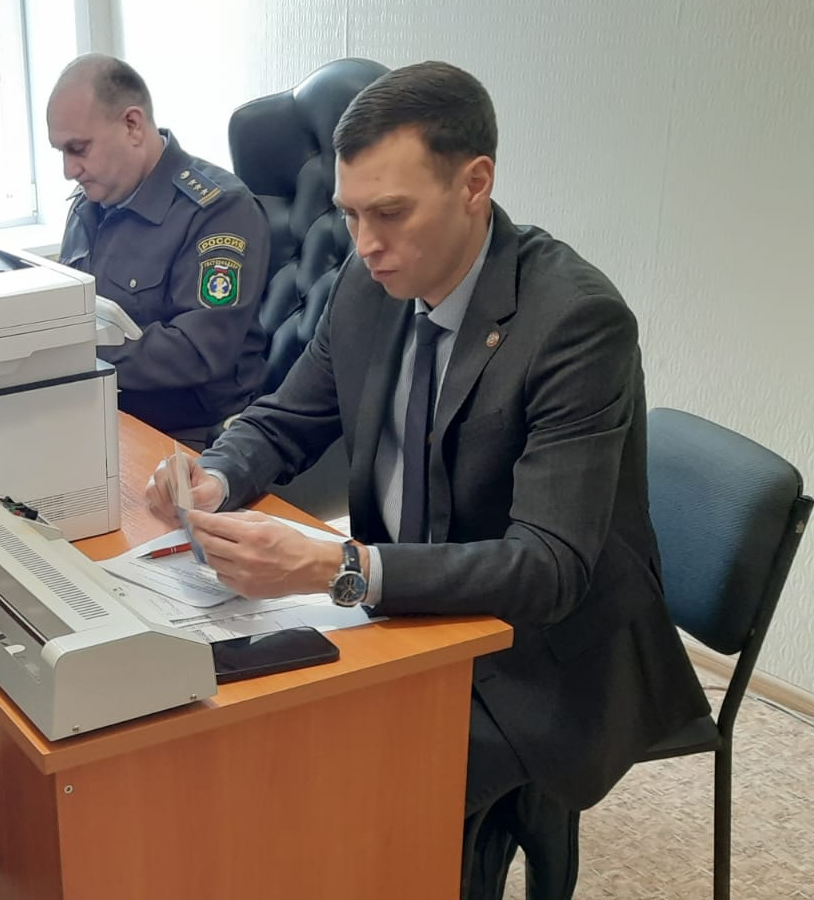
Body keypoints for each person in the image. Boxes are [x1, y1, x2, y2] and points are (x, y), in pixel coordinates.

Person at [145, 62, 707, 899]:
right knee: (237, 733)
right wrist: (217, 477)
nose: (364, 242)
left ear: (475, 184)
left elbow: (548, 568)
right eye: (350, 214)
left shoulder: (576, 321)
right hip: (410, 613)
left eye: (390, 213)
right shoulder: (367, 284)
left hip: (542, 656)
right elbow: (288, 416)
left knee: (346, 785)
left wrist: (336, 566)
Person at [47, 53, 270, 439]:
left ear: (132, 125)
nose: (69, 170)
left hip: (189, 435)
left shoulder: (218, 209)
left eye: (78, 149)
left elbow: (197, 352)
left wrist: (69, 351)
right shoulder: (89, 205)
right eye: (61, 152)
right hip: (102, 414)